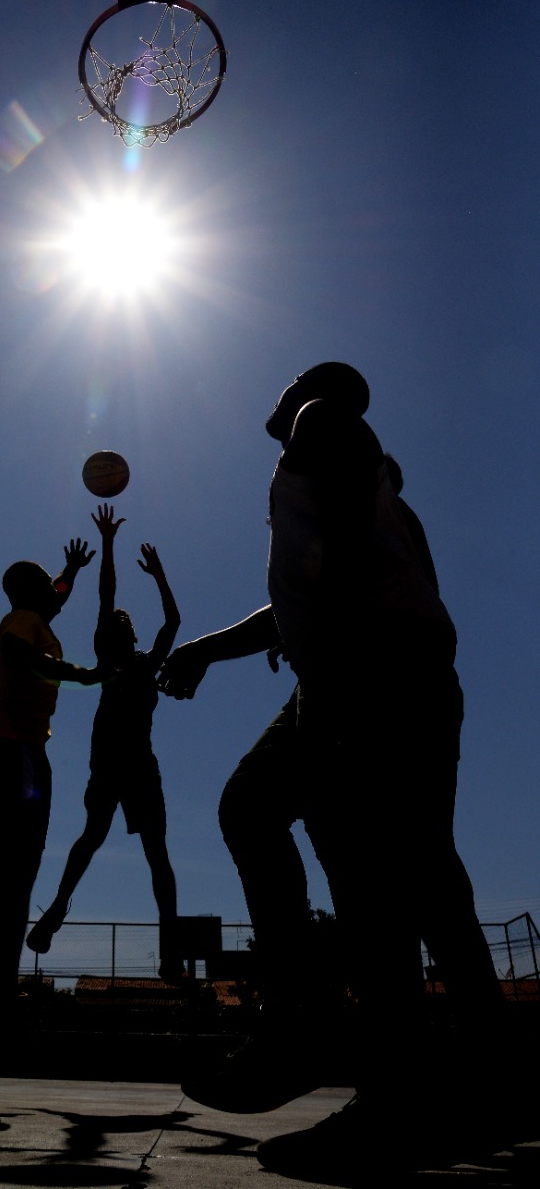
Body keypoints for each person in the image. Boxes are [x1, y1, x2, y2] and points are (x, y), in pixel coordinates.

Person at [160, 363, 513, 1172]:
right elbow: (341, 585)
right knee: (423, 873)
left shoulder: (324, 423)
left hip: (369, 675)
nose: (274, 403)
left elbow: (350, 566)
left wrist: (341, 672)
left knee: (357, 864)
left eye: (284, 389)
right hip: (394, 670)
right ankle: (488, 1077)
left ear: (307, 394)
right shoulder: (371, 490)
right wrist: (217, 646)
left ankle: (360, 1065)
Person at [26, 504, 184, 980]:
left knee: (141, 850)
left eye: (120, 622)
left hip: (132, 762)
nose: (116, 622)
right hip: (118, 762)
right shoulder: (113, 658)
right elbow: (107, 594)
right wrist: (111, 544)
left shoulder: (141, 663)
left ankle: (169, 949)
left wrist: (159, 575)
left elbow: (172, 622)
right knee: (106, 841)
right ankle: (56, 909)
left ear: (129, 632)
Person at [0, 538, 104, 1003]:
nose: (54, 589)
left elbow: (57, 593)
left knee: (20, 873)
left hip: (26, 751)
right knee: (7, 871)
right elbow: (17, 653)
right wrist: (80, 673)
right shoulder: (21, 621)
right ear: (27, 591)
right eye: (46, 583)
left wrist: (72, 569)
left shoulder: (37, 614)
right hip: (9, 748)